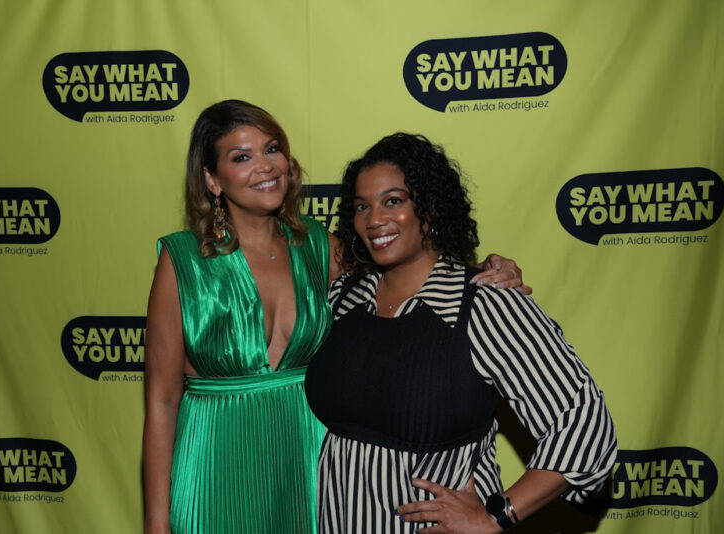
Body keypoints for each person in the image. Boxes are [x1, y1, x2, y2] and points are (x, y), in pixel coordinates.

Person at [143, 101, 530, 534]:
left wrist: (488, 270)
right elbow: (161, 400)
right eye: (241, 157)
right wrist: (156, 524)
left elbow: (409, 265)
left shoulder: (318, 246)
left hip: (307, 459)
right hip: (216, 458)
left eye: (272, 149)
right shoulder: (182, 260)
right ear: (212, 180)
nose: (265, 166)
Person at [305, 133, 617, 534]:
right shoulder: (344, 298)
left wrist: (496, 516)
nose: (374, 219)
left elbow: (584, 424)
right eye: (362, 206)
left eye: (393, 201)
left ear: (431, 207)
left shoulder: (485, 304)